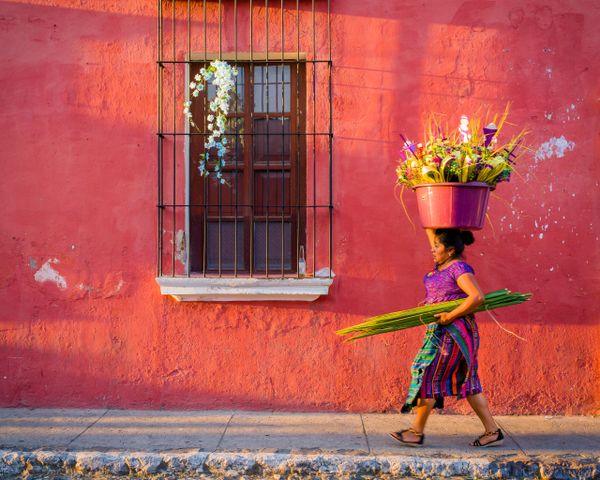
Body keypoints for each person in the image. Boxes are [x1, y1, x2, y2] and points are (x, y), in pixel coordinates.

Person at [390, 228, 504, 448]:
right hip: (439, 330)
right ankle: (492, 431)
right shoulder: (442, 265)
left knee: (428, 374)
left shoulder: (458, 268)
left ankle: (416, 432)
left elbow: (477, 297)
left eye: (437, 247)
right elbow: (431, 230)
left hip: (454, 331)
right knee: (467, 381)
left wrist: (449, 315)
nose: (433, 249)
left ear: (450, 250)